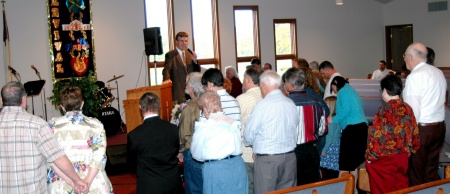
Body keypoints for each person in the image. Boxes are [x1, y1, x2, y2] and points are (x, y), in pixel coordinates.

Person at [0, 81, 88, 194]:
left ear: (2, 100)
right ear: (24, 99)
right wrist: (77, 180)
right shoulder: (37, 124)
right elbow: (57, 157)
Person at [47, 86, 113, 193]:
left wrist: (72, 182)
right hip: (93, 181)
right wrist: (87, 182)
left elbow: (51, 160)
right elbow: (100, 157)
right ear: (82, 104)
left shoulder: (51, 126)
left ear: (62, 107)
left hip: (62, 182)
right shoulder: (96, 124)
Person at [244, 70, 299, 194]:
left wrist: (255, 147)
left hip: (268, 161)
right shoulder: (290, 103)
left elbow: (248, 135)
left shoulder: (263, 105)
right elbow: (295, 127)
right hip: (290, 158)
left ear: (263, 85)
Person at [365, 75, 420, 194]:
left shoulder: (384, 109)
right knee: (401, 188)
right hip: (403, 157)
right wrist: (411, 150)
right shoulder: (408, 108)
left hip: (385, 159)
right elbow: (414, 132)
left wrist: (370, 157)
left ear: (385, 90)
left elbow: (377, 137)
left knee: (382, 189)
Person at [403, 42, 446, 186]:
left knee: (416, 174)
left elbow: (412, 112)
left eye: (404, 56)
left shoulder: (414, 77)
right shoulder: (437, 72)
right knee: (430, 171)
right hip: (439, 127)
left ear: (409, 56)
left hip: (422, 130)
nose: (404, 59)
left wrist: (407, 138)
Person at [191, 91, 248, 194]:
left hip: (216, 169)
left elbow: (196, 154)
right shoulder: (233, 123)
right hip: (237, 166)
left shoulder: (204, 127)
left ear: (205, 109)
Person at [127, 92, 181, 193]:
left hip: (149, 186)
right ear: (159, 106)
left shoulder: (134, 135)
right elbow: (175, 151)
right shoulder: (173, 129)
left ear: (140, 107)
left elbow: (131, 165)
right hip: (172, 183)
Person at [282, 68, 327, 185]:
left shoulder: (285, 103)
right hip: (312, 150)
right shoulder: (317, 101)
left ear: (290, 85)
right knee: (312, 186)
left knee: (296, 187)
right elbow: (323, 130)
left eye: (285, 82)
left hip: (293, 152)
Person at [327, 76, 368, 185]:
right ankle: (353, 189)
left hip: (352, 129)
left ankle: (342, 190)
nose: (335, 92)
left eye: (333, 89)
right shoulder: (352, 90)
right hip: (362, 128)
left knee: (344, 164)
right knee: (354, 164)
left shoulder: (343, 91)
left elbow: (345, 110)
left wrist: (333, 119)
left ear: (336, 83)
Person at [236, 67, 264, 194]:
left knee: (249, 187)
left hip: (247, 152)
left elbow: (235, 124)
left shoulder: (243, 98)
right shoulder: (265, 96)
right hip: (264, 151)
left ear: (248, 80)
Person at [178, 72, 205, 194]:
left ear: (192, 88)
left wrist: (180, 151)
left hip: (192, 152)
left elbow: (184, 134)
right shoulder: (207, 101)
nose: (186, 87)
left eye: (187, 84)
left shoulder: (190, 107)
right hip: (206, 150)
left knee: (193, 187)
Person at [163, 31, 201, 103]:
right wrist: (166, 83)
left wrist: (195, 61)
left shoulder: (190, 54)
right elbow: (166, 71)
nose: (184, 43)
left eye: (186, 41)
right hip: (178, 91)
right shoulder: (171, 55)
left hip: (190, 91)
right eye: (181, 41)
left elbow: (197, 72)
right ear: (176, 42)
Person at [320, 96, 341, 180]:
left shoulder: (330, 121)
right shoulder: (336, 119)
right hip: (336, 146)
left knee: (328, 170)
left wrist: (323, 150)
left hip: (330, 148)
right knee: (333, 169)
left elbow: (329, 137)